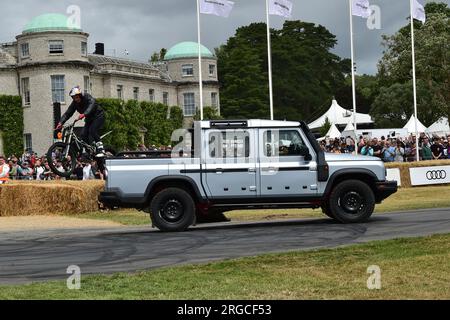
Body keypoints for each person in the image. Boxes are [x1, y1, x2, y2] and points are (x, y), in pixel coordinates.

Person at [56, 86, 105, 157]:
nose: (76, 99)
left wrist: (84, 114)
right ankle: (90, 151)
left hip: (98, 116)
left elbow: (92, 104)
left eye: (77, 97)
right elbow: (67, 113)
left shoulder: (87, 97)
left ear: (80, 95)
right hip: (89, 119)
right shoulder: (74, 104)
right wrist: (61, 122)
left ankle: (101, 149)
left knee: (92, 130)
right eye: (74, 98)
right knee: (83, 135)